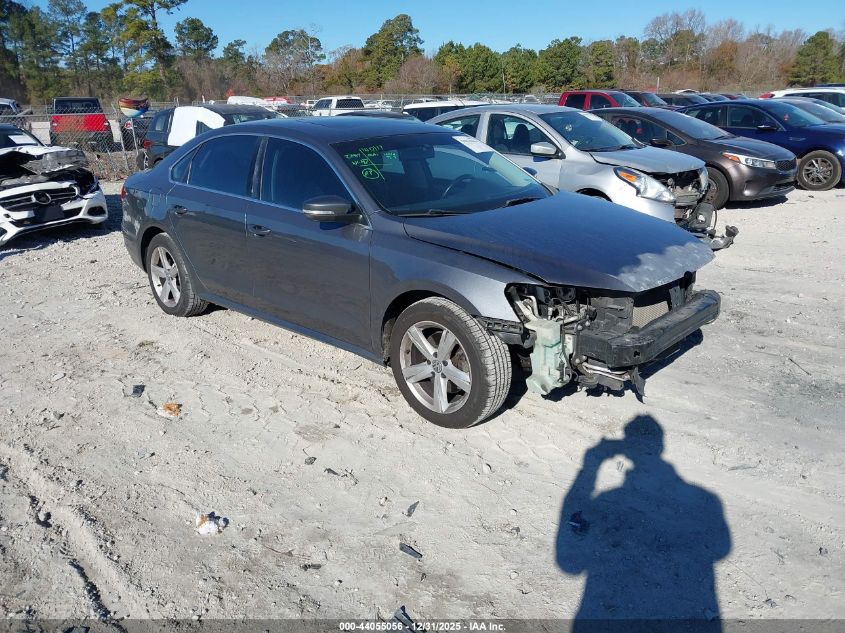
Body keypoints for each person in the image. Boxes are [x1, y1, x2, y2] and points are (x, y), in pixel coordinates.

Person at [556, 415, 731, 632]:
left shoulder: (607, 497)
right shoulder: (706, 499)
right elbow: (722, 549)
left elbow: (569, 565)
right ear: (662, 445)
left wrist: (591, 463)